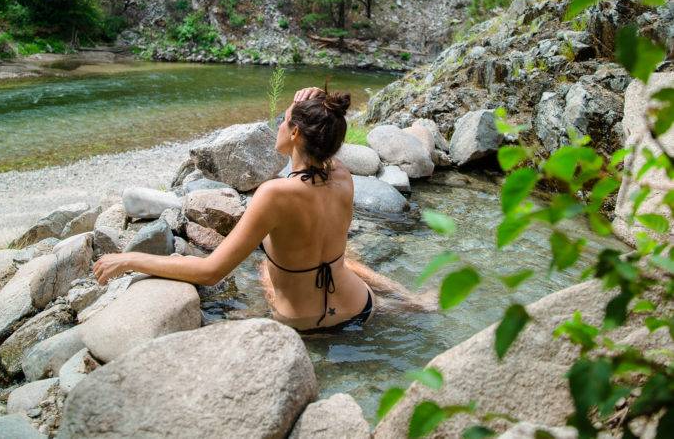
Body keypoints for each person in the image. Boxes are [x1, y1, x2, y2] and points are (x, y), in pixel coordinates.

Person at [93, 85, 433, 333]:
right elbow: (324, 144)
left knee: (264, 271)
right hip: (363, 307)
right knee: (345, 260)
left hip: (306, 327)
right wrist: (312, 106)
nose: (278, 126)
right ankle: (411, 301)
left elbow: (211, 271)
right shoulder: (342, 177)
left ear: (296, 132)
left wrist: (128, 260)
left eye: (283, 121)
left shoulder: (274, 194)